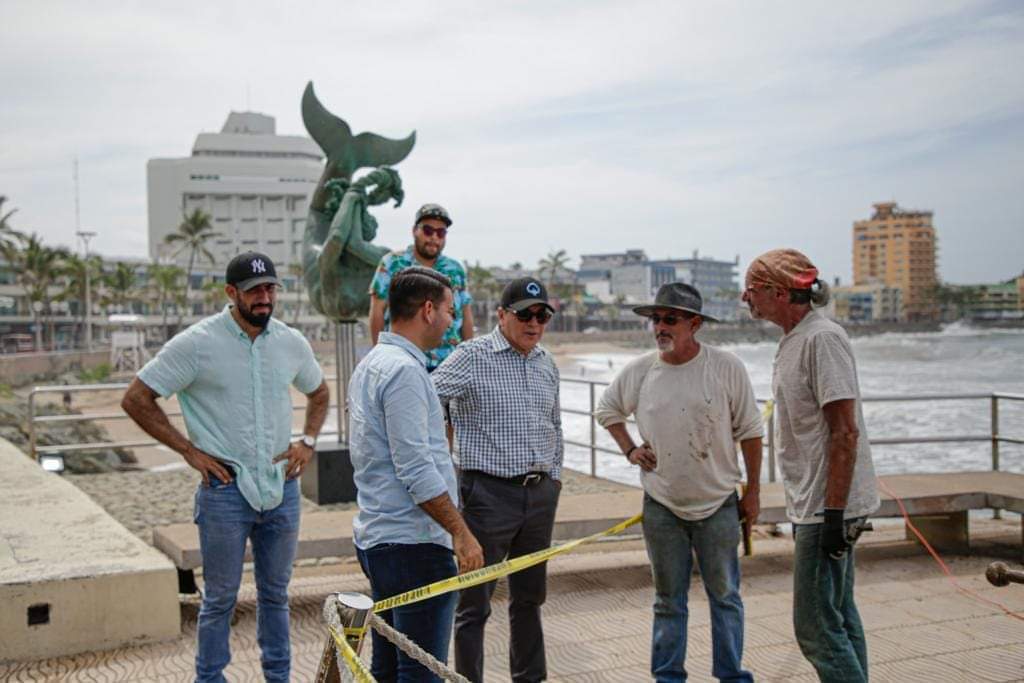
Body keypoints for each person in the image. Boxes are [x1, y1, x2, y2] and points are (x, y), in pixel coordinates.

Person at [121, 251, 329, 683]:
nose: (264, 298)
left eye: (270, 288)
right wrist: (188, 450)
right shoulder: (196, 343)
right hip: (225, 492)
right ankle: (210, 678)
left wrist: (307, 443)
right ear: (231, 293)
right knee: (219, 600)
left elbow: (320, 392)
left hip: (281, 488)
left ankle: (279, 677)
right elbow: (137, 397)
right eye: (254, 291)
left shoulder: (291, 341)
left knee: (276, 596)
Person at [595, 282, 763, 683]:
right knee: (668, 601)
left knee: (725, 597)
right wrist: (631, 450)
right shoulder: (640, 370)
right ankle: (669, 677)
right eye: (655, 319)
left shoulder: (726, 367)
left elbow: (752, 431)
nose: (660, 327)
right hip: (662, 505)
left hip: (719, 502)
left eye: (670, 319)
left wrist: (753, 492)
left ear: (695, 324)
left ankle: (731, 675)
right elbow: (608, 410)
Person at [742, 248, 880, 683]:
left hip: (827, 505)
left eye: (752, 290)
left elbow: (845, 430)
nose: (746, 298)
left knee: (816, 628)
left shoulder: (822, 338)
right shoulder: (795, 339)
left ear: (780, 293)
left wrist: (835, 512)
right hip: (818, 503)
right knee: (838, 614)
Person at [349, 266, 485, 682]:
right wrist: (460, 532)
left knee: (388, 664)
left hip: (381, 538)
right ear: (428, 310)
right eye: (448, 309)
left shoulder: (374, 362)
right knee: (420, 670)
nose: (452, 320)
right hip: (414, 544)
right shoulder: (404, 372)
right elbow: (415, 468)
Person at [432, 277, 563, 683]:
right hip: (486, 495)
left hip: (539, 496)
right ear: (502, 315)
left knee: (530, 599)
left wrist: (553, 479)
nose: (534, 323)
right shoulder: (471, 356)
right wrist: (435, 456)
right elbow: (424, 396)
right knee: (474, 605)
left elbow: (554, 426)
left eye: (542, 315)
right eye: (525, 314)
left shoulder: (546, 363)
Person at [369, 203, 474, 370]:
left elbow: (466, 316)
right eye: (428, 230)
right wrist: (379, 355)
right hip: (405, 362)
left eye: (441, 233)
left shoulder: (455, 269)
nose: (434, 237)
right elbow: (377, 311)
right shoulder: (392, 263)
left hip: (449, 364)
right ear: (414, 231)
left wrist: (470, 362)